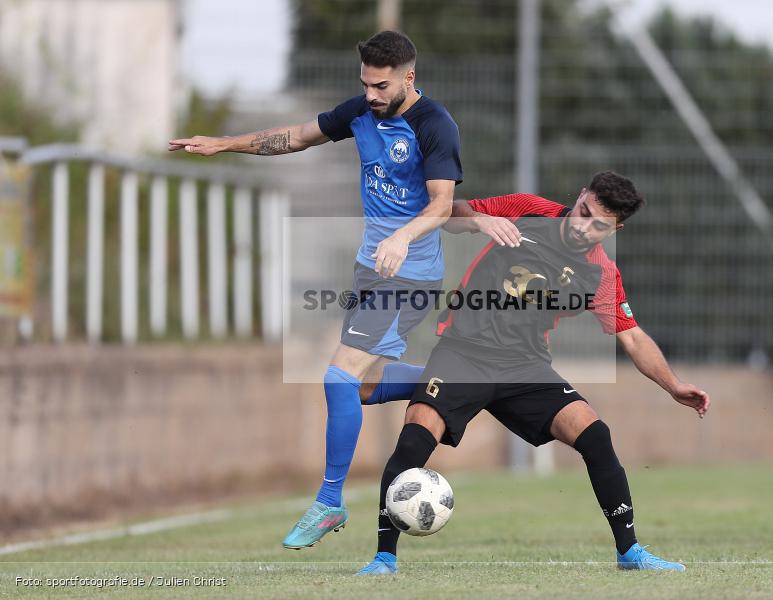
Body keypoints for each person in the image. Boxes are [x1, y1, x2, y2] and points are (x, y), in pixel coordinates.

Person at [169, 31, 463, 549]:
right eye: (365, 83)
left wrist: (400, 235)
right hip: (371, 271)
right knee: (363, 387)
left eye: (381, 84)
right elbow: (295, 137)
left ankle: (329, 501)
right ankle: (461, 382)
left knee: (337, 375)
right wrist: (222, 144)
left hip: (410, 273)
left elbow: (441, 206)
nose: (371, 94)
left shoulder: (434, 125)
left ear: (407, 77)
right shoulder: (360, 112)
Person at [356, 172, 711, 575]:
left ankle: (629, 553)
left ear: (617, 228)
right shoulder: (527, 209)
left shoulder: (600, 273)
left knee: (595, 435)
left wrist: (673, 385)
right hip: (463, 352)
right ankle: (384, 558)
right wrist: (480, 220)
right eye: (584, 212)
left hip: (525, 366)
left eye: (599, 226)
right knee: (415, 440)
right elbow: (447, 214)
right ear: (580, 195)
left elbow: (632, 338)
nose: (583, 227)